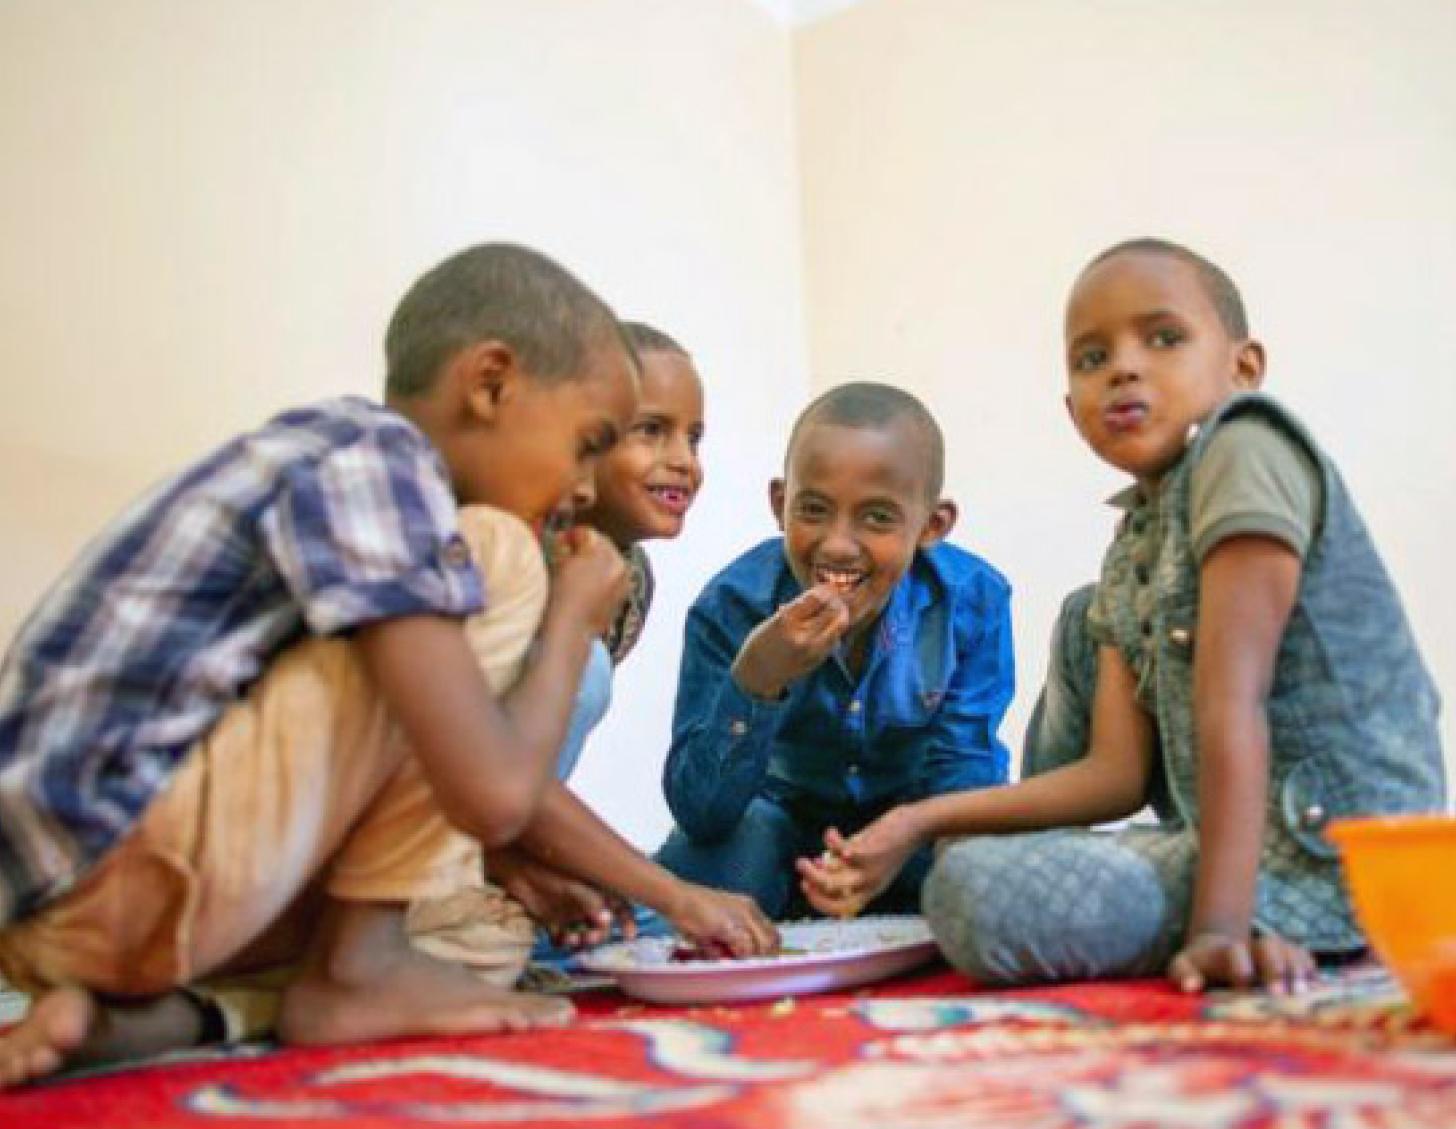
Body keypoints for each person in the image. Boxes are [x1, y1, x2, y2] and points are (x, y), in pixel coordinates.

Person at [0, 241, 643, 1087]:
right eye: (588, 443)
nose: (588, 486)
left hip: (82, 908)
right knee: (496, 556)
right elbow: (492, 796)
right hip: (108, 861)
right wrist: (568, 623)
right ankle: (356, 970)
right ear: (490, 382)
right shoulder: (371, 458)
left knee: (475, 937)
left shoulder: (359, 478)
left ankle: (161, 1018)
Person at [804, 239, 1446, 994]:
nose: (1124, 368)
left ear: (1242, 368)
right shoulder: (1134, 538)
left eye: (1164, 338)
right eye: (1091, 357)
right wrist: (917, 820)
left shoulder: (1247, 446)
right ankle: (1177, 894)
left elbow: (1229, 703)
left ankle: (1254, 917)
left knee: (968, 893)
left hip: (1339, 854)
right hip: (1220, 835)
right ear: (1071, 408)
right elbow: (1115, 775)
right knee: (971, 842)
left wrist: (1221, 932)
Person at [428, 322, 778, 958]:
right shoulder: (504, 553)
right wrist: (673, 894)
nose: (685, 462)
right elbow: (478, 768)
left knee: (661, 918)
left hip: (497, 841)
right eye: (651, 431)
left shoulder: (627, 578)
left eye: (694, 438)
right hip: (423, 848)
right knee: (673, 913)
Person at [656, 382, 1016, 920]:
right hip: (780, 831)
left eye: (877, 518)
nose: (838, 544)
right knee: (721, 861)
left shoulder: (970, 601)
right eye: (815, 509)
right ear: (780, 505)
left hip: (909, 830)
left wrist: (896, 842)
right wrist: (756, 682)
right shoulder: (732, 606)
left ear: (931, 526)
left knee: (979, 866)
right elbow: (701, 812)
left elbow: (964, 771)